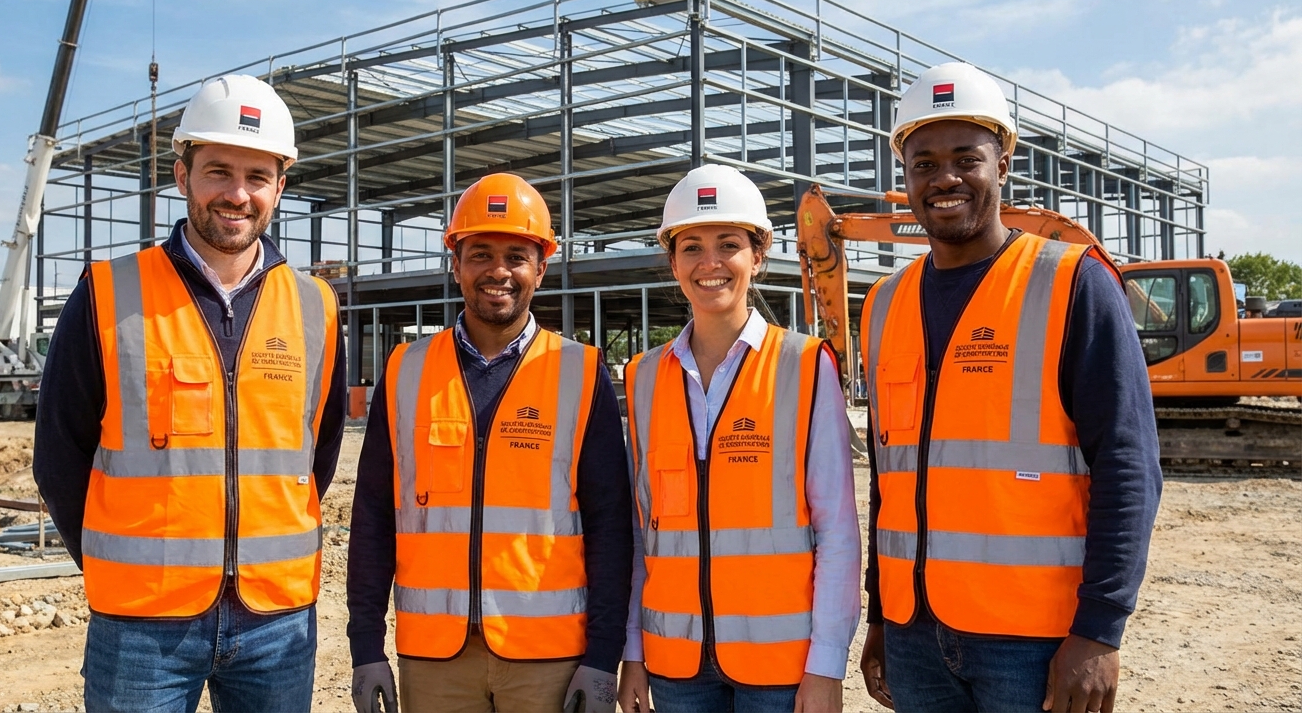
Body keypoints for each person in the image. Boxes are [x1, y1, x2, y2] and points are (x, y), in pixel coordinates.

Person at [33, 74, 347, 712]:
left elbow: (318, 454)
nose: (237, 194)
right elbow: (58, 456)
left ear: (280, 187)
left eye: (258, 176)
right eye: (218, 171)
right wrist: (118, 564)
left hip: (277, 619)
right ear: (182, 176)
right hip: (141, 624)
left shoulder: (316, 307)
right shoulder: (108, 295)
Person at [857, 62, 1162, 713]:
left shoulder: (1072, 284)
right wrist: (881, 613)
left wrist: (1100, 629)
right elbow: (891, 475)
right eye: (924, 162)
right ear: (904, 175)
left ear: (1004, 163)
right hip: (915, 632)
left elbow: (1129, 465)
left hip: (1036, 640)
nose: (944, 179)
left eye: (967, 158)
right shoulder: (884, 306)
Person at [346, 173, 633, 713]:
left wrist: (602, 656)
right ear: (456, 262)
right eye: (480, 253)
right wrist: (365, 645)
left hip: (549, 657)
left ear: (542, 268)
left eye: (516, 255)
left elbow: (610, 525)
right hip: (434, 660)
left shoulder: (580, 372)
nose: (498, 271)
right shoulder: (405, 371)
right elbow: (372, 519)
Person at [616, 165, 861, 713]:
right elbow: (641, 534)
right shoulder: (643, 378)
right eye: (691, 247)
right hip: (675, 666)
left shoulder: (804, 365)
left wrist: (826, 666)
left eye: (729, 244)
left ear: (757, 256)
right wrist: (632, 651)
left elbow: (838, 531)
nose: (710, 263)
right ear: (671, 260)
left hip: (780, 668)